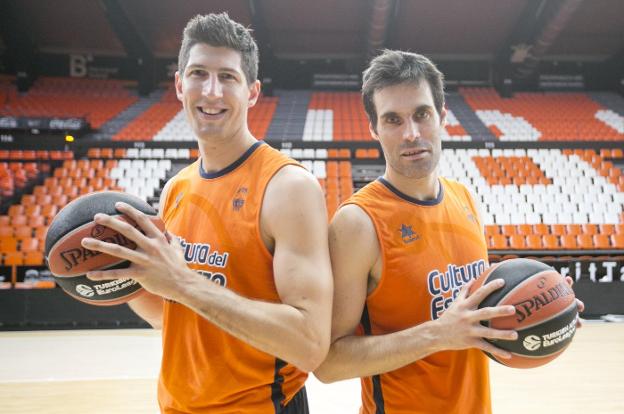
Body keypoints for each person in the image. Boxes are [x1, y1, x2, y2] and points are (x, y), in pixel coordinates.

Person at [81, 13, 332, 413]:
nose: (211, 91)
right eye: (198, 73)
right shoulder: (176, 189)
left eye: (228, 77)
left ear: (252, 92)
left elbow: (310, 343)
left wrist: (182, 282)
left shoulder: (288, 187)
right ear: (180, 85)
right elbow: (178, 319)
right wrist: (122, 273)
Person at [313, 49, 582, 413]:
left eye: (421, 115)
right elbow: (328, 363)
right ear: (374, 129)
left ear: (441, 116)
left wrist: (545, 312)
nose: (411, 133)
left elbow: (474, 323)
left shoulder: (464, 198)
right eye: (393, 120)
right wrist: (437, 335)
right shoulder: (357, 222)